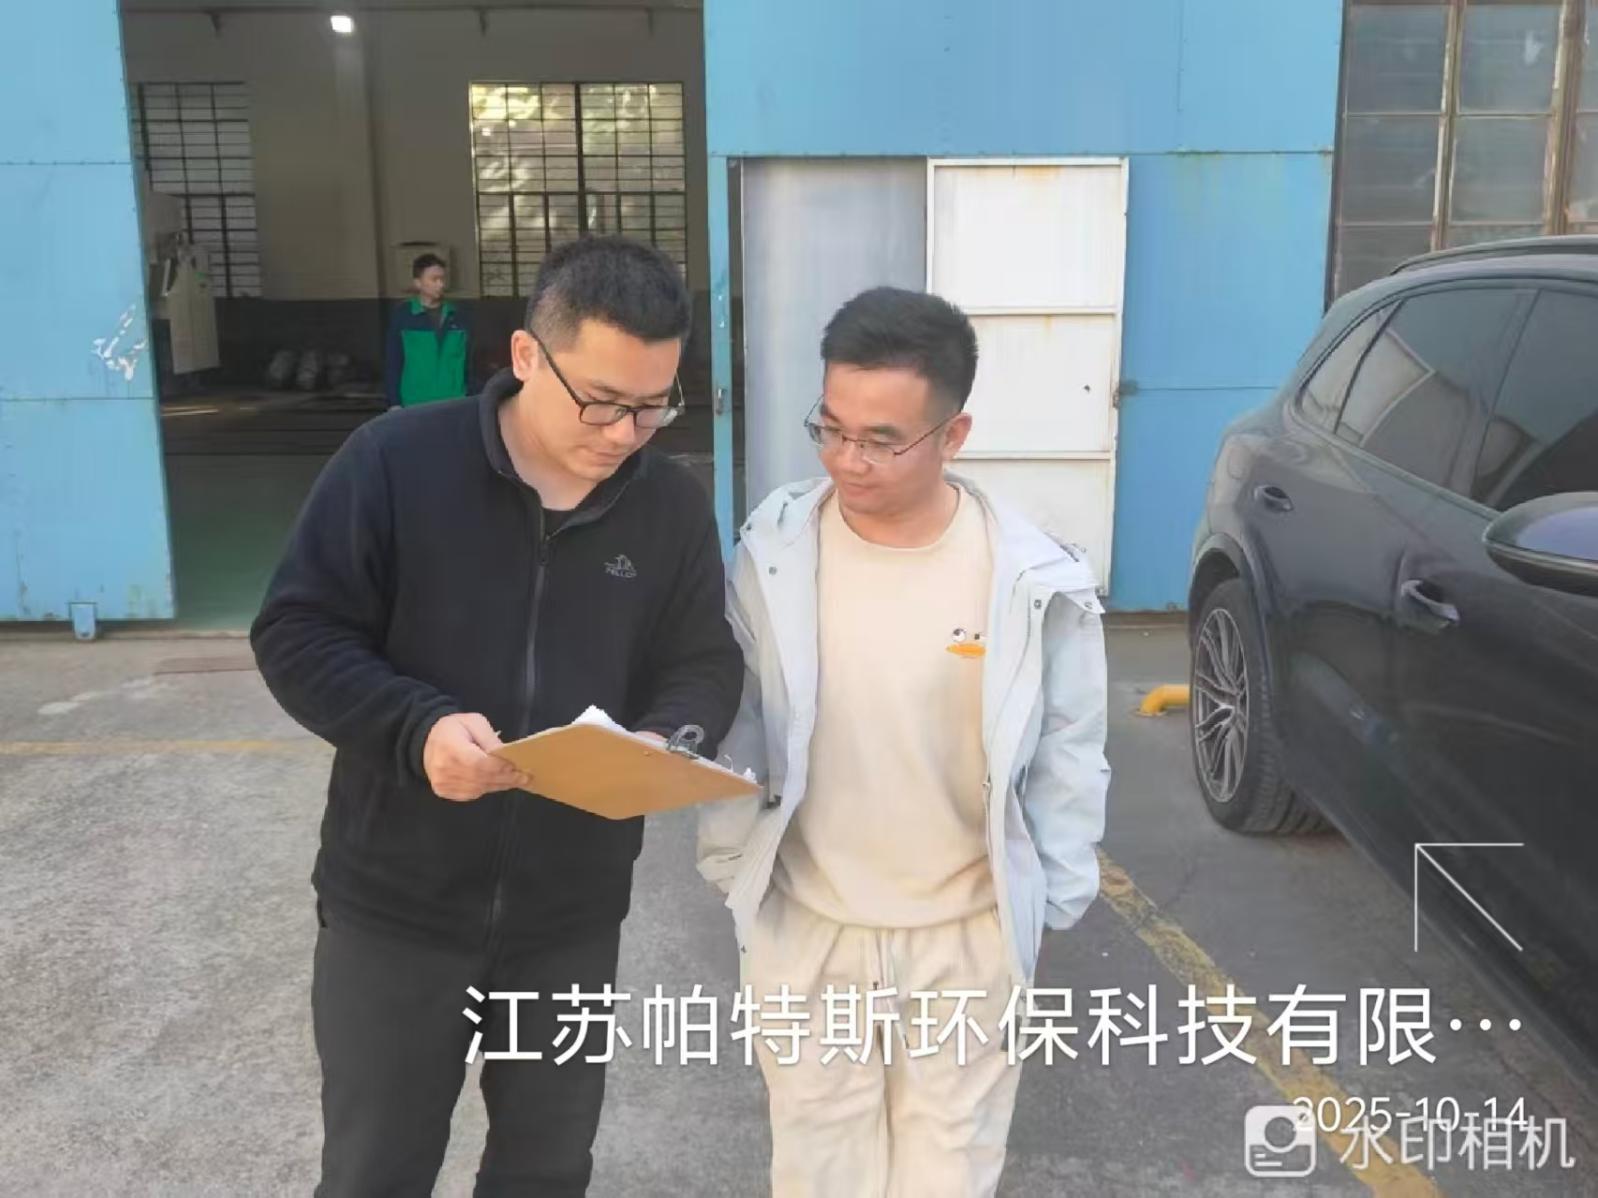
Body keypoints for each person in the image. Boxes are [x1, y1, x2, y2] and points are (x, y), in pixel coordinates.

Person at [252, 235, 742, 1196]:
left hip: (569, 916)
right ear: (526, 355)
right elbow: (299, 631)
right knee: (376, 1170)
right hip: (396, 908)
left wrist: (665, 742)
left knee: (546, 1168)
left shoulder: (670, 508)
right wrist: (416, 730)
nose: (625, 433)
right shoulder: (397, 463)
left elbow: (702, 660)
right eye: (602, 401)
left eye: (654, 405)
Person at [697, 286, 1110, 1197]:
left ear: (953, 436)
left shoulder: (1029, 578)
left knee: (949, 1171)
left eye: (881, 440)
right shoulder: (775, 552)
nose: (848, 459)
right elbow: (743, 711)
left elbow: (1071, 742)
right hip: (809, 927)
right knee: (817, 1170)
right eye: (831, 427)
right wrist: (730, 857)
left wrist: (1053, 891)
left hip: (965, 939)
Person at [385, 252, 470, 407]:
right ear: (418, 283)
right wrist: (394, 402)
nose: (441, 284)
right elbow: (393, 362)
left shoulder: (458, 316)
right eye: (434, 279)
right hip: (415, 403)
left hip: (454, 402)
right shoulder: (404, 316)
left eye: (442, 279)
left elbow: (468, 363)